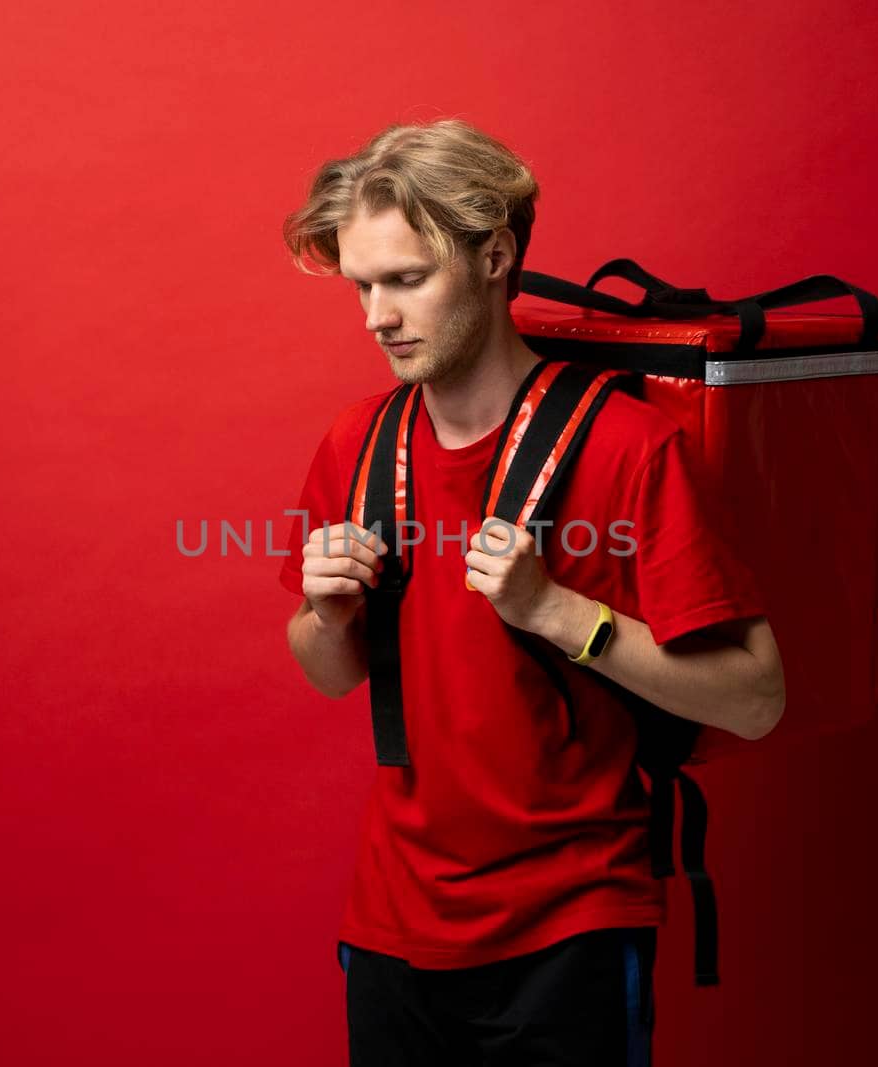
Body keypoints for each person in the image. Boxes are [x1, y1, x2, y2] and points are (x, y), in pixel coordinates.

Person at [277, 118, 785, 1067]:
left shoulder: (630, 446)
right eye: (362, 284)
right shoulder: (355, 443)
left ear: (497, 256)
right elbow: (327, 673)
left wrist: (559, 612)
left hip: (572, 922)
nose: (376, 317)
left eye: (406, 279)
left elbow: (757, 698)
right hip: (395, 922)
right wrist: (327, 614)